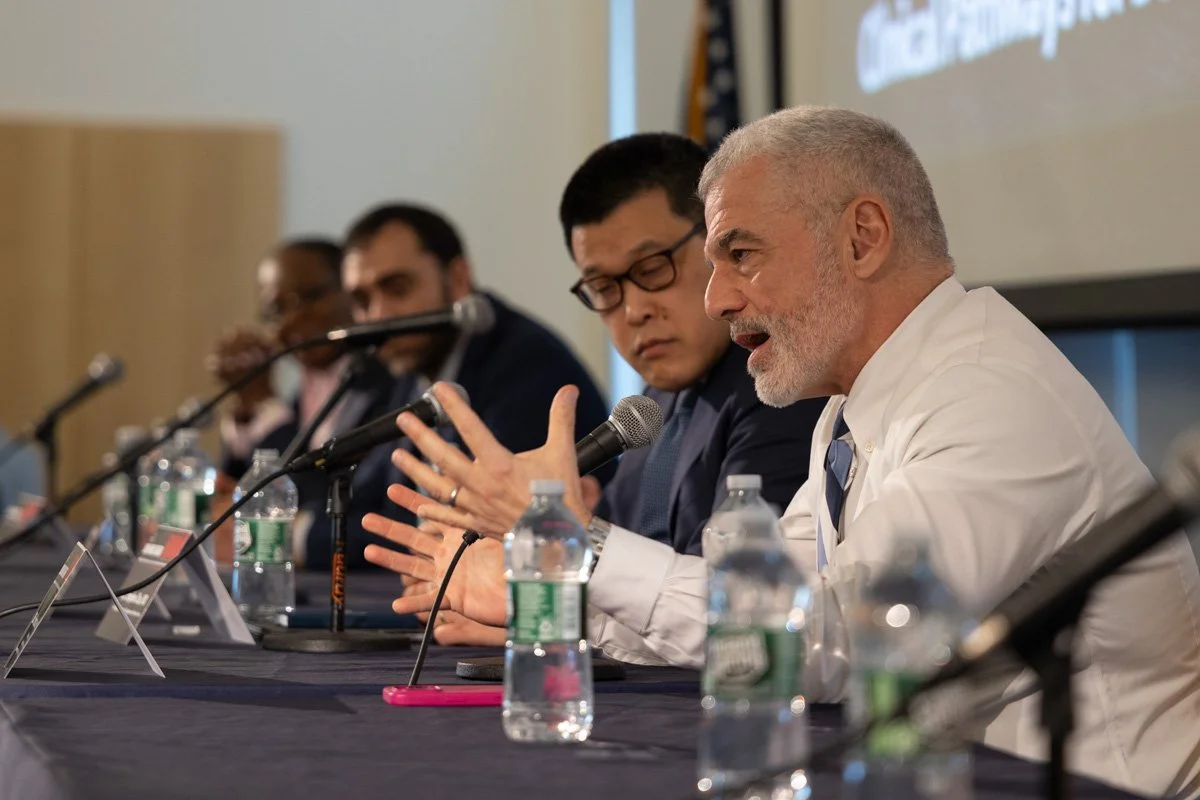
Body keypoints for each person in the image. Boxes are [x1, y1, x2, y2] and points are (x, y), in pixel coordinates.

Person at [363, 108, 1200, 796]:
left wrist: (575, 547)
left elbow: (840, 638)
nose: (718, 297)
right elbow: (774, 609)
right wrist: (568, 610)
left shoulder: (991, 397)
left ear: (863, 237)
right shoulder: (851, 405)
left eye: (741, 255)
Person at [362, 136, 824, 658]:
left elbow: (728, 609)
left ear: (717, 245)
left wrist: (551, 602)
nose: (632, 311)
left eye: (651, 270)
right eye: (604, 288)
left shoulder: (781, 388)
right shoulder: (651, 407)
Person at [337, 202, 612, 571]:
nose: (378, 316)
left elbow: (486, 526)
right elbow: (375, 501)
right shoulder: (409, 366)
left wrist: (304, 537)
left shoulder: (525, 362)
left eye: (397, 287)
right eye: (361, 301)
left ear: (459, 278)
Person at [210, 238, 396, 568]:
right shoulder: (304, 392)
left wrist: (265, 406)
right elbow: (240, 494)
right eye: (277, 309)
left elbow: (318, 499)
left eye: (311, 296)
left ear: (351, 291)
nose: (295, 317)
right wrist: (247, 410)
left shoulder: (389, 382)